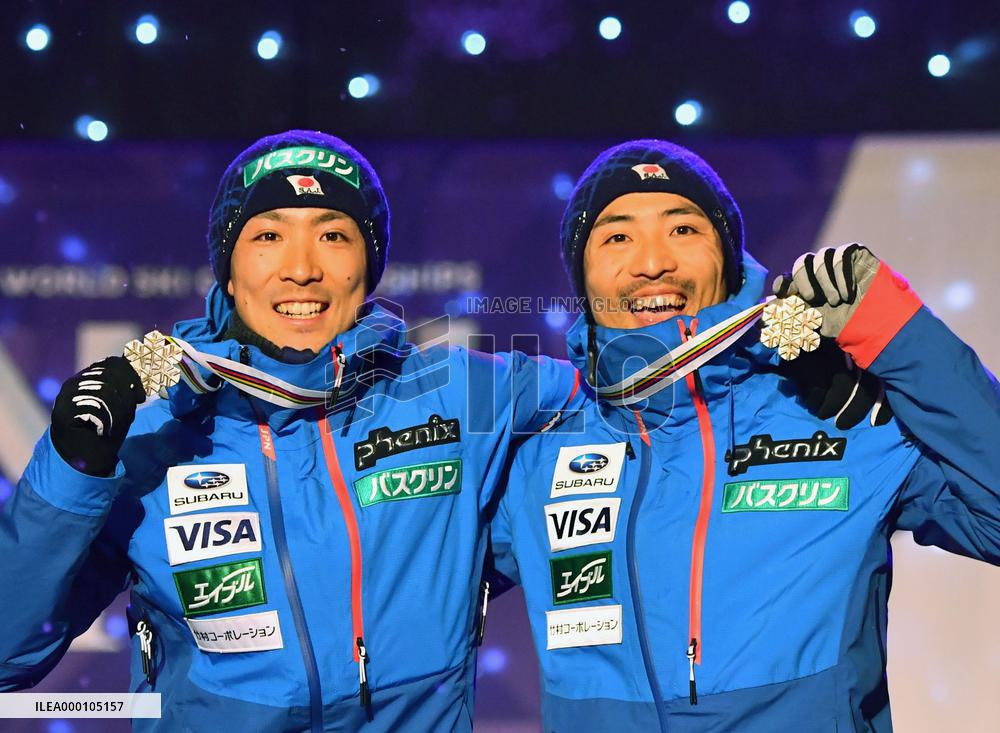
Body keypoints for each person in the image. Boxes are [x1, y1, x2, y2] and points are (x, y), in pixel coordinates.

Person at [0, 130, 584, 732]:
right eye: (268, 235)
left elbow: (628, 396)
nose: (301, 269)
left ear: (370, 265)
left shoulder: (462, 396)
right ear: (229, 272)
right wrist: (71, 472)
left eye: (333, 235)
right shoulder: (151, 438)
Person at [490, 139, 1000, 732]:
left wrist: (897, 334)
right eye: (617, 236)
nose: (653, 262)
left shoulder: (837, 412)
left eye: (683, 230)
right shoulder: (537, 454)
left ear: (729, 257)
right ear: (581, 273)